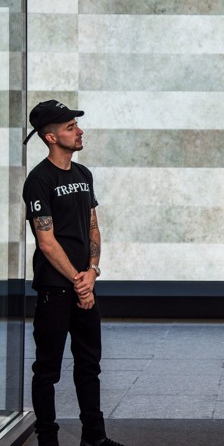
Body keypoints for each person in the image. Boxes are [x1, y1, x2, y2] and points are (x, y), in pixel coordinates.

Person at [22, 100, 124, 446]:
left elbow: (93, 226)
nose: (79, 131)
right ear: (50, 137)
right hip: (55, 289)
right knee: (47, 369)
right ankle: (47, 440)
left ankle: (94, 437)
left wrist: (91, 272)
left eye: (76, 125)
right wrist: (79, 282)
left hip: (84, 285)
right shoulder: (39, 180)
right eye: (70, 127)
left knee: (89, 365)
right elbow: (46, 241)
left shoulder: (83, 175)